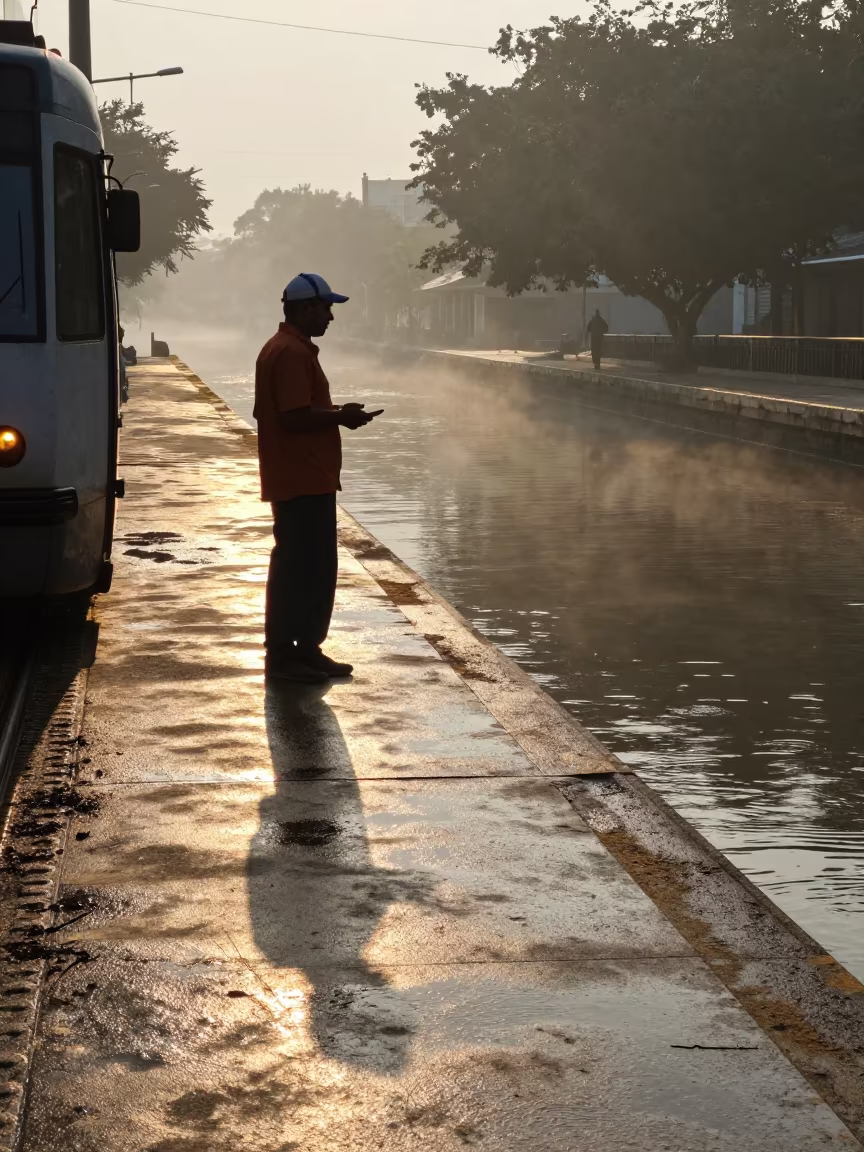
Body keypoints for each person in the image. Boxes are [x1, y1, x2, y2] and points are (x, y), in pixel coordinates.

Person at [254, 273, 383, 683]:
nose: (330, 316)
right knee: (308, 568)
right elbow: (294, 417)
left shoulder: (283, 349)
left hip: (299, 475)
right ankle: (293, 654)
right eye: (325, 308)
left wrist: (335, 412)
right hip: (303, 477)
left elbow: (284, 412)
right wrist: (341, 417)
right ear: (304, 308)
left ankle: (299, 650)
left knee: (299, 567)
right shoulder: (291, 353)